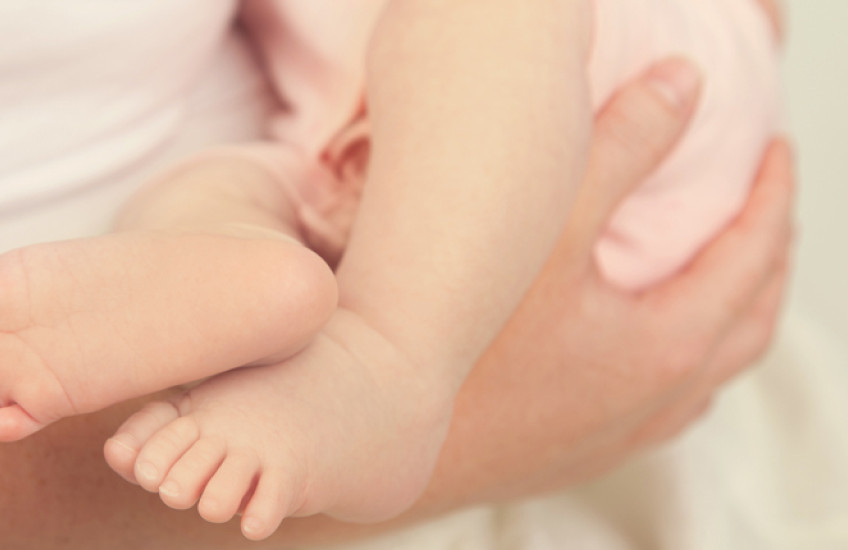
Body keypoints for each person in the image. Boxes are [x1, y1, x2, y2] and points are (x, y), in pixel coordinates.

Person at [0, 0, 782, 541]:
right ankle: (253, 259)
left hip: (596, 104)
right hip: (358, 121)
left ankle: (387, 364)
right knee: (203, 187)